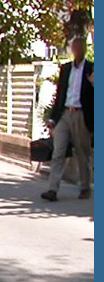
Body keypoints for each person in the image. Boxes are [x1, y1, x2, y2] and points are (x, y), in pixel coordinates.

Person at [41, 35, 94, 201]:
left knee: (81, 152)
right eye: (75, 48)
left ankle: (85, 186)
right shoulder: (66, 69)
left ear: (84, 50)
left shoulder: (92, 68)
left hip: (81, 115)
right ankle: (52, 189)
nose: (78, 51)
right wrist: (53, 118)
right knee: (58, 151)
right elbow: (60, 95)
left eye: (81, 48)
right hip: (65, 113)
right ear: (72, 50)